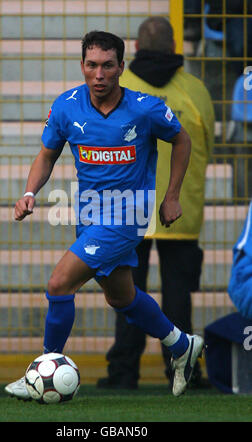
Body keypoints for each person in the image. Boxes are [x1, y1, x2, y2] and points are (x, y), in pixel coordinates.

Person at [4, 30, 204, 400]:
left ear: (121, 68)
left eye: (107, 66)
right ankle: (181, 345)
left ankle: (43, 371)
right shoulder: (66, 107)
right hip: (89, 214)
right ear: (82, 66)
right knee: (121, 297)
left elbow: (182, 139)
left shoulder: (145, 108)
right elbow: (47, 155)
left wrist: (172, 196)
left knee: (59, 284)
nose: (99, 74)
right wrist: (30, 193)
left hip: (129, 214)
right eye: (92, 65)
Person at [96, 17, 214, 390]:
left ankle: (123, 373)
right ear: (174, 44)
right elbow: (207, 144)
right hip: (181, 209)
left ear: (135, 47)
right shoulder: (195, 91)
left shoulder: (122, 88)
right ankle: (184, 372)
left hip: (128, 208)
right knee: (179, 295)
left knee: (126, 293)